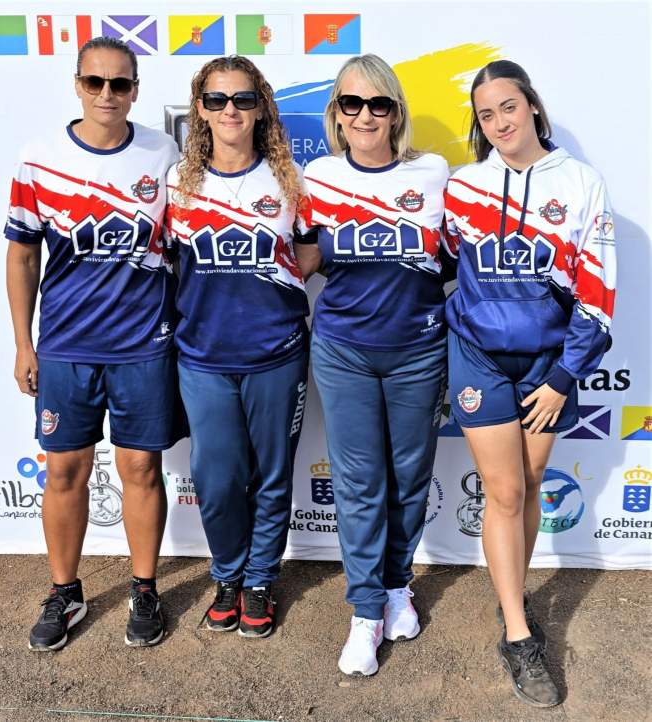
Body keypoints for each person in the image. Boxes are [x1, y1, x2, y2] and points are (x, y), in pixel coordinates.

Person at [443, 60, 616, 707]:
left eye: (508, 107)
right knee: (506, 490)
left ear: (533, 106)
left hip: (548, 365)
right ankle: (518, 634)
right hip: (478, 358)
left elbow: (598, 287)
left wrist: (565, 376)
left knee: (533, 482)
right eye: (486, 114)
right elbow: (436, 263)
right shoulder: (464, 186)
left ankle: (511, 595)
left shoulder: (580, 183)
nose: (499, 123)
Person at [5, 36, 182, 651]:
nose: (108, 94)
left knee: (141, 468)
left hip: (143, 344)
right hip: (66, 347)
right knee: (64, 471)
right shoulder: (39, 159)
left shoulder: (163, 154)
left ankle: (144, 588)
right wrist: (23, 344)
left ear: (135, 90)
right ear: (78, 85)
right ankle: (65, 591)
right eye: (95, 82)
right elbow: (22, 256)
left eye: (121, 83)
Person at [295, 54, 450, 676]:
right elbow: (302, 256)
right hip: (344, 351)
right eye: (351, 103)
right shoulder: (319, 176)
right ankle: (365, 612)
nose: (365, 115)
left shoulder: (433, 173)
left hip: (418, 350)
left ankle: (396, 587)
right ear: (336, 113)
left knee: (409, 479)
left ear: (395, 112)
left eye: (378, 103)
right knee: (360, 483)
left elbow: (456, 256)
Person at [165, 56, 309, 639]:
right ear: (200, 109)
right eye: (218, 99)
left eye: (243, 99)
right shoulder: (177, 184)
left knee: (272, 476)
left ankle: (259, 581)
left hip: (277, 353)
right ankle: (227, 574)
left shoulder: (290, 180)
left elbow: (310, 253)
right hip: (203, 357)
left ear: (260, 108)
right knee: (218, 478)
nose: (230, 110)